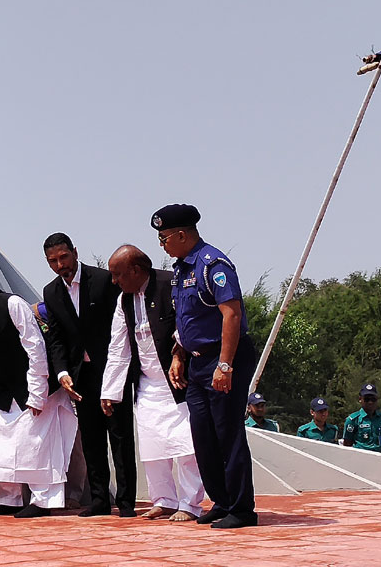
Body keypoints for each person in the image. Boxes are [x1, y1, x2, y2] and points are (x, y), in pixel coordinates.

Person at [154, 203, 257, 529]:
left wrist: (225, 365)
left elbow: (232, 314)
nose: (162, 244)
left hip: (223, 357)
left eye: (165, 237)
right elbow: (186, 321)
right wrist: (178, 355)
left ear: (182, 234)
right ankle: (221, 501)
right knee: (203, 436)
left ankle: (241, 509)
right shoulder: (182, 270)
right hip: (196, 362)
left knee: (227, 433)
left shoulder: (213, 265)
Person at [0, 273, 76, 518]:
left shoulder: (12, 304)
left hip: (35, 380)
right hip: (5, 384)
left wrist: (38, 394)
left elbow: (36, 348)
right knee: (0, 439)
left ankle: (44, 501)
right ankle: (10, 499)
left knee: (37, 442)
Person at [102, 244, 204, 522]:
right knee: (153, 447)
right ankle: (165, 500)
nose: (114, 281)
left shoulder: (170, 284)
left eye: (118, 274)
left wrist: (179, 353)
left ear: (136, 270)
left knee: (186, 447)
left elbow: (188, 322)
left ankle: (190, 504)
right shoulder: (124, 300)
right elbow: (118, 346)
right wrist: (110, 391)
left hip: (178, 381)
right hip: (147, 384)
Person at [39, 233, 134, 517]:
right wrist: (62, 373)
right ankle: (99, 500)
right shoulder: (51, 292)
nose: (60, 265)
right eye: (53, 261)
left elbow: (123, 324)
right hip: (80, 376)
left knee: (119, 436)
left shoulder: (105, 281)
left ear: (75, 253)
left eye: (63, 257)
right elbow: (55, 338)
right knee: (91, 440)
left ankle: (126, 502)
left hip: (112, 370)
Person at [343, 383, 381, 452]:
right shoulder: (352, 420)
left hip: (380, 457)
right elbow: (347, 444)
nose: (370, 402)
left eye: (373, 399)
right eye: (367, 399)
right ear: (360, 399)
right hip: (360, 458)